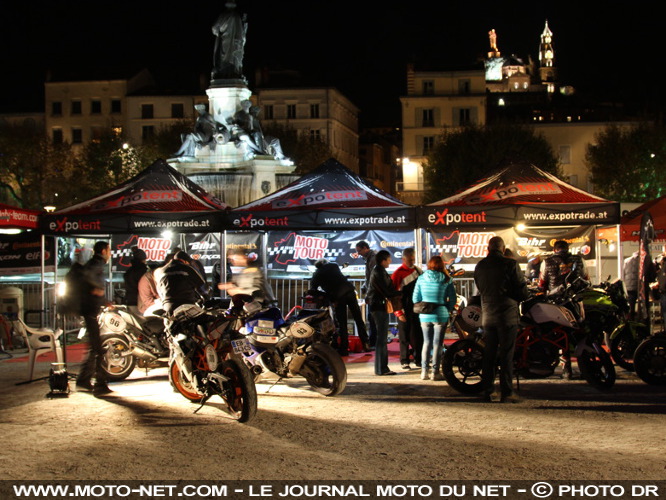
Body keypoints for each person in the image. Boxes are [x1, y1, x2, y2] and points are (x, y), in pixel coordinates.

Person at [474, 236, 529, 403]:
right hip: (507, 316)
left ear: (488, 248)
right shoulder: (510, 264)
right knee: (506, 354)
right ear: (502, 249)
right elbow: (521, 291)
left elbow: (480, 287)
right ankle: (507, 392)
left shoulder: (480, 265)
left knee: (488, 354)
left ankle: (488, 391)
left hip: (488, 315)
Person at [311, 259, 371, 355]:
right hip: (349, 292)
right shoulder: (333, 265)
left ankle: (344, 348)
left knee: (342, 323)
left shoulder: (316, 274)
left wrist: (325, 294)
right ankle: (366, 343)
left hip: (337, 297)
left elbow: (313, 289)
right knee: (358, 318)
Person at [76, 241, 113, 395]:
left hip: (89, 308)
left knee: (96, 347)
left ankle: (87, 381)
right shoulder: (96, 263)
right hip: (90, 309)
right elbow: (89, 277)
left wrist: (104, 300)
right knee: (97, 348)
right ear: (104, 250)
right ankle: (97, 382)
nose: (110, 254)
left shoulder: (95, 263)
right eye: (109, 250)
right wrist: (96, 290)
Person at [412, 256, 457, 381]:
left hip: (424, 316)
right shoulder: (447, 279)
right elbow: (452, 299)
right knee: (438, 344)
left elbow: (415, 299)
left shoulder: (421, 278)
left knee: (426, 342)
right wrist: (446, 308)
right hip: (440, 314)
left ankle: (424, 372)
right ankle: (435, 372)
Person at [367, 250, 402, 376]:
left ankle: (382, 368)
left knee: (381, 337)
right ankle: (381, 369)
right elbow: (387, 291)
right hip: (378, 306)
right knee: (381, 338)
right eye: (389, 259)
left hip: (378, 305)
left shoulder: (379, 271)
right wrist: (402, 293)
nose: (391, 261)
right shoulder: (379, 272)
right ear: (383, 260)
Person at [391, 248, 423, 369]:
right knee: (404, 335)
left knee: (418, 335)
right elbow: (394, 294)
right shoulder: (398, 273)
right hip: (404, 309)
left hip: (417, 309)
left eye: (413, 259)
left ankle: (418, 359)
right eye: (410, 259)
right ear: (403, 259)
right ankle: (404, 360)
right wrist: (398, 312)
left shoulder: (418, 271)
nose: (411, 261)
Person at [158, 251, 207, 315]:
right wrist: (206, 299)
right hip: (186, 306)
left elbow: (159, 289)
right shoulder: (187, 268)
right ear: (185, 261)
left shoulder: (162, 270)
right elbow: (202, 287)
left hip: (167, 307)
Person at [355, 240, 377, 347]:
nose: (359, 254)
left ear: (365, 248)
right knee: (372, 318)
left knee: (372, 318)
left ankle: (374, 341)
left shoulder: (372, 259)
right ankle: (374, 340)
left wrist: (368, 293)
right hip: (372, 292)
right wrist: (364, 286)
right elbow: (369, 277)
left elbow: (372, 278)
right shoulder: (369, 258)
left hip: (374, 294)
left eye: (359, 251)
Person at [123, 247, 147, 315]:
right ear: (143, 259)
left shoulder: (129, 271)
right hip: (141, 303)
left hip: (130, 301)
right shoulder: (143, 271)